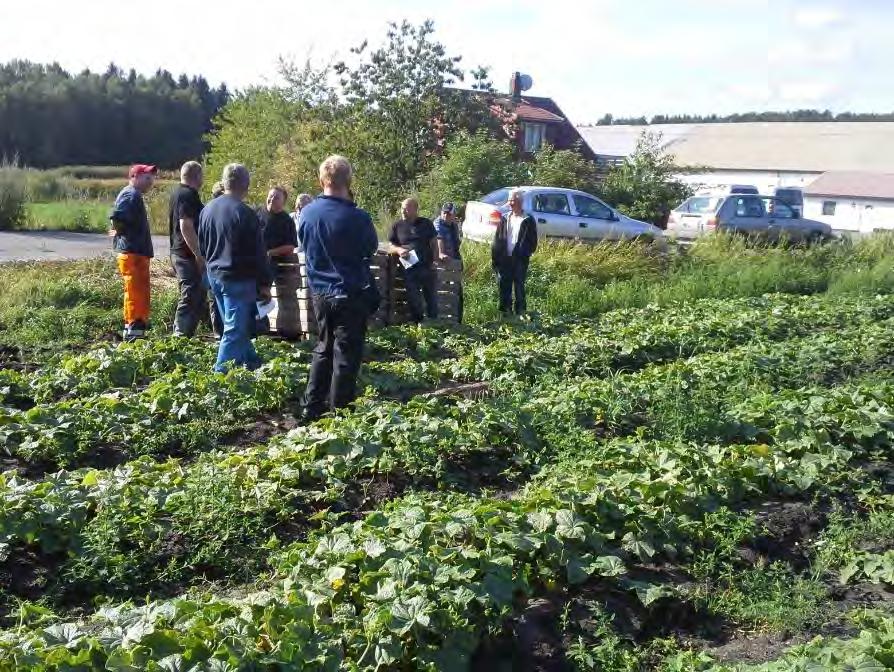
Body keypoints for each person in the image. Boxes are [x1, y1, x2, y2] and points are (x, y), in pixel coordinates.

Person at [299, 155, 378, 421]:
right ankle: (340, 414)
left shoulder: (307, 214)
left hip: (320, 293)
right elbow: (369, 250)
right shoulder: (358, 218)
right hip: (349, 293)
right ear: (349, 181)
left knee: (323, 347)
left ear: (322, 180)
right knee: (346, 356)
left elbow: (306, 248)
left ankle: (311, 407)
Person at [198, 164, 272, 372]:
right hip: (237, 278)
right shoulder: (245, 213)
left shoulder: (207, 210)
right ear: (246, 184)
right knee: (235, 330)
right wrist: (265, 283)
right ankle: (219, 376)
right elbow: (259, 252)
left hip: (214, 276)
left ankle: (252, 363)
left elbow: (202, 246)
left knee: (235, 325)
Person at [168, 161, 223, 338]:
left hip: (181, 253)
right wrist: (198, 254)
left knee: (197, 295)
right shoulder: (187, 195)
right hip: (185, 254)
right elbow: (186, 225)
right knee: (190, 293)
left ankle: (187, 334)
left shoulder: (178, 193)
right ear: (197, 176)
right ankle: (180, 336)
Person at [109, 164, 157, 341]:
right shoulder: (131, 194)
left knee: (138, 293)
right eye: (146, 177)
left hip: (136, 252)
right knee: (135, 293)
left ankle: (135, 331)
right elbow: (117, 217)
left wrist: (118, 230)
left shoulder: (133, 194)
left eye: (151, 178)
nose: (150, 181)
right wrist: (118, 231)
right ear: (134, 177)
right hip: (132, 253)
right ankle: (133, 333)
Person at [257, 186, 300, 339]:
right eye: (270, 196)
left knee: (286, 299)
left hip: (279, 265)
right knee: (260, 296)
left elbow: (291, 245)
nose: (272, 199)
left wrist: (272, 252)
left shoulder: (286, 220)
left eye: (276, 197)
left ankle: (289, 333)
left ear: (283, 202)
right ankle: (261, 330)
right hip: (258, 264)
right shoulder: (257, 214)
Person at [388, 198, 438, 322]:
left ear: (415, 209)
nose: (403, 211)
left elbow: (434, 243)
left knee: (430, 296)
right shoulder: (397, 225)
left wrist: (435, 260)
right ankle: (418, 323)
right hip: (409, 267)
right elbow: (391, 245)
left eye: (406, 208)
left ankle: (434, 323)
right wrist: (399, 250)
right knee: (413, 297)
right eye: (402, 208)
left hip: (426, 266)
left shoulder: (425, 223)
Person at [492, 188, 538, 315]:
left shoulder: (528, 219)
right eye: (509, 200)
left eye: (512, 200)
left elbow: (532, 243)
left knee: (519, 286)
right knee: (504, 285)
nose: (510, 203)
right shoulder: (505, 218)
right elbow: (498, 239)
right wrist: (496, 257)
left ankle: (520, 313)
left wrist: (523, 254)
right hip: (505, 258)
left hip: (519, 259)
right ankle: (505, 312)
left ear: (519, 201)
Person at [433, 201, 463, 323]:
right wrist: (441, 252)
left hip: (454, 260)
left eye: (448, 214)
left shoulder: (454, 225)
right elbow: (439, 237)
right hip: (443, 263)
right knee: (442, 290)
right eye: (444, 213)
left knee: (457, 291)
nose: (446, 216)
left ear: (453, 214)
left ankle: (457, 320)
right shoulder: (437, 223)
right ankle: (441, 319)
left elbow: (457, 242)